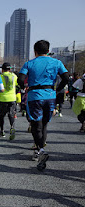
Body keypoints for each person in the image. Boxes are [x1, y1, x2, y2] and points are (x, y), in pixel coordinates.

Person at [18, 40, 69, 171]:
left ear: (35, 52)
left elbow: (20, 79)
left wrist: (24, 87)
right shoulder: (56, 62)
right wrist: (57, 90)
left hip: (34, 96)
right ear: (47, 51)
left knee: (36, 125)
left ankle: (40, 151)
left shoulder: (29, 63)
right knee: (44, 124)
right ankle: (41, 151)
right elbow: (66, 77)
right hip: (50, 95)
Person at [0, 62, 18, 140]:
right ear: (10, 69)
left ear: (2, 70)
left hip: (3, 98)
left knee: (1, 115)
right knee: (11, 114)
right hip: (12, 98)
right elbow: (16, 85)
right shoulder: (14, 76)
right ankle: (12, 127)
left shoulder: (0, 76)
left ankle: (2, 131)